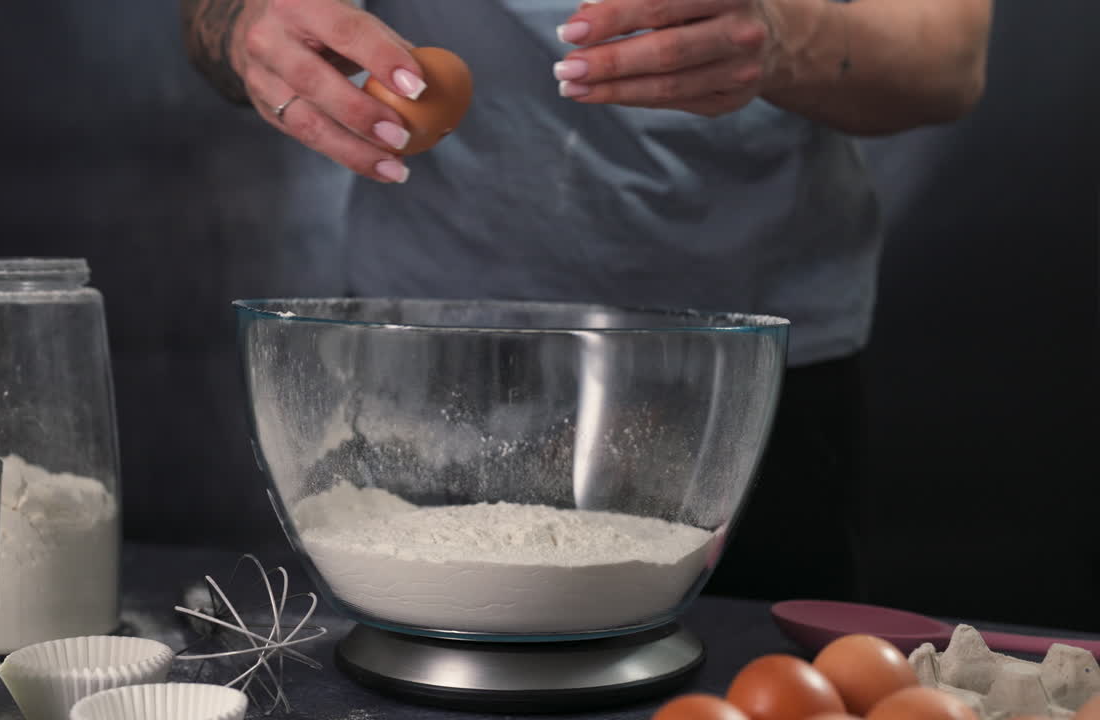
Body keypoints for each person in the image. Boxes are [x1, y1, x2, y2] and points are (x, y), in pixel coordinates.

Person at [179, 0, 992, 602]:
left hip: (741, 377)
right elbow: (214, 18)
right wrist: (247, 23)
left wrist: (780, 39)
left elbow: (947, 60)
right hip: (426, 370)